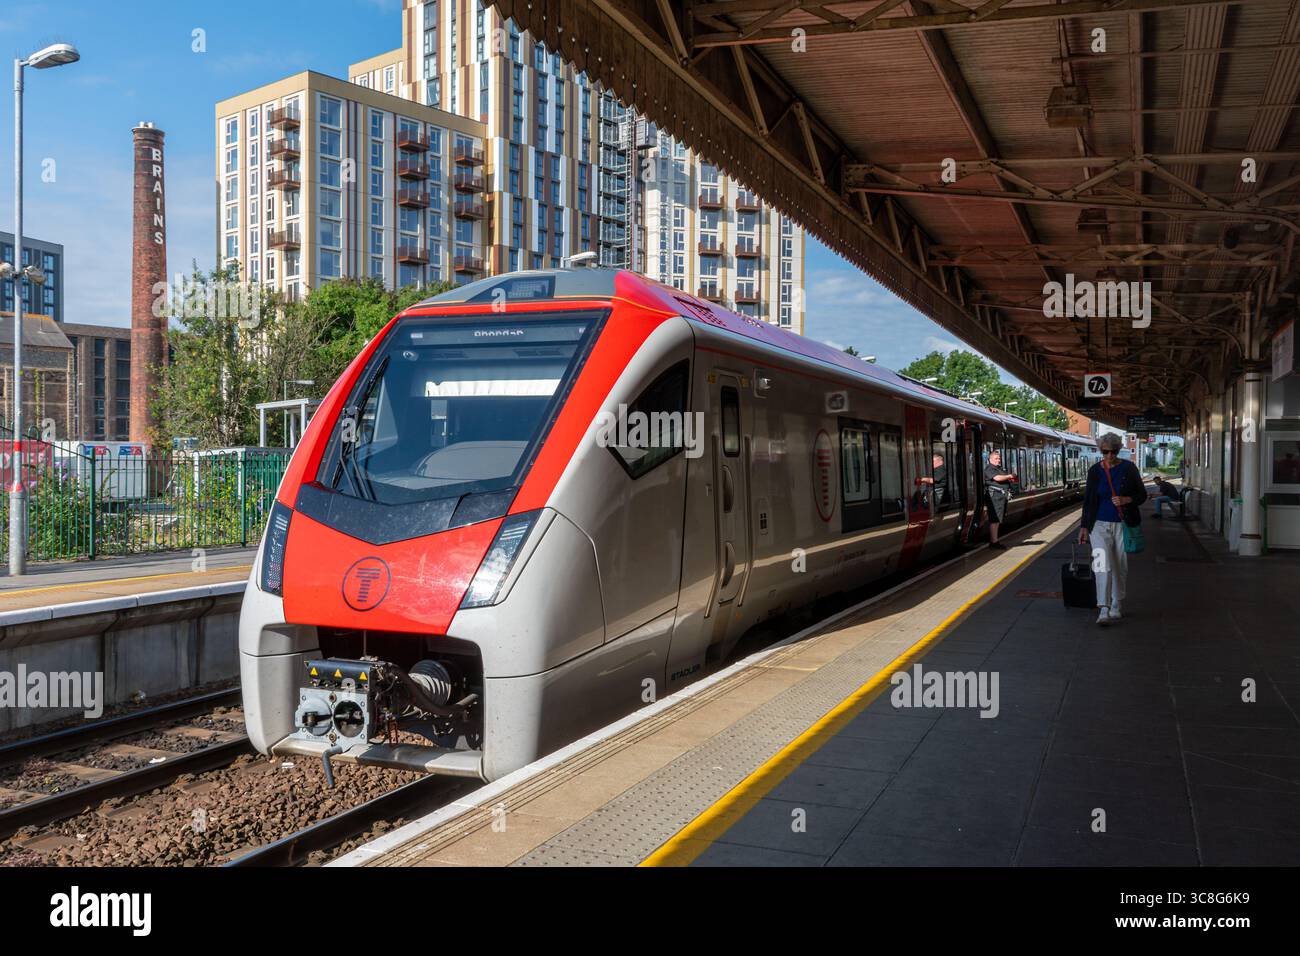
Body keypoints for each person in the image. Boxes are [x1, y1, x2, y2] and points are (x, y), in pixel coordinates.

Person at [1077, 433, 1148, 626]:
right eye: (1105, 452)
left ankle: (1117, 602)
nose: (1109, 456)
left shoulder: (1129, 468)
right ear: (1101, 450)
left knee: (1119, 565)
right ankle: (1104, 608)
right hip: (1097, 525)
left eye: (1113, 452)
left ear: (1118, 450)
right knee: (1101, 565)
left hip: (1122, 524)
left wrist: (1127, 500)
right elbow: (1088, 501)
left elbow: (1142, 495)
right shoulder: (1094, 471)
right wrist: (1084, 526)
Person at [983, 449, 1016, 549]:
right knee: (995, 519)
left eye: (999, 458)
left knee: (997, 519)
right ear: (990, 459)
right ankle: (994, 542)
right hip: (995, 497)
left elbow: (1003, 477)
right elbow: (997, 478)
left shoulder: (998, 468)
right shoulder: (989, 469)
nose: (998, 460)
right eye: (996, 458)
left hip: (1000, 497)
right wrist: (1009, 476)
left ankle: (995, 540)